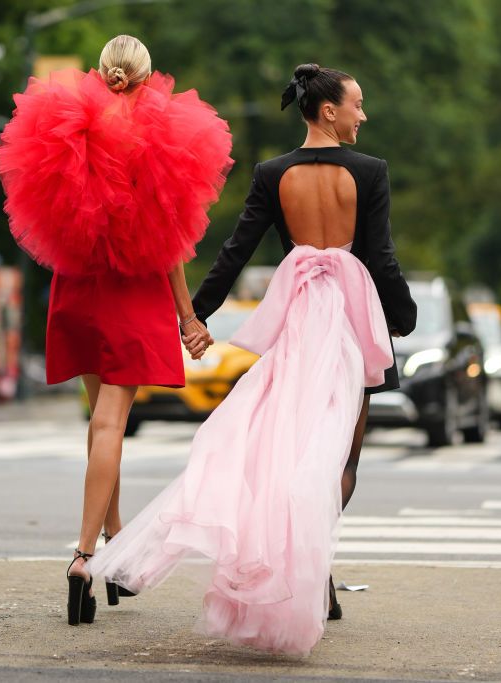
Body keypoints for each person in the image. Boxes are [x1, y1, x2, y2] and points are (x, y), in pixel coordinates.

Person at [86, 64, 418, 655]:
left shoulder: (273, 173)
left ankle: (308, 573)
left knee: (291, 445)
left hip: (297, 323)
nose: (364, 115)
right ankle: (316, 574)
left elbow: (236, 249)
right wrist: (403, 314)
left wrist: (198, 316)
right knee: (341, 456)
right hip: (346, 323)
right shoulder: (370, 173)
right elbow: (382, 255)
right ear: (329, 112)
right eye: (358, 105)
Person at [0, 35, 233, 626]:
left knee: (100, 426)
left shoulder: (68, 125)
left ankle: (118, 545)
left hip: (76, 290)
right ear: (148, 77)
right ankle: (83, 557)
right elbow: (171, 243)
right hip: (130, 293)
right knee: (110, 426)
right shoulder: (158, 136)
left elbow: (39, 210)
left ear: (103, 73)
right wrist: (187, 316)